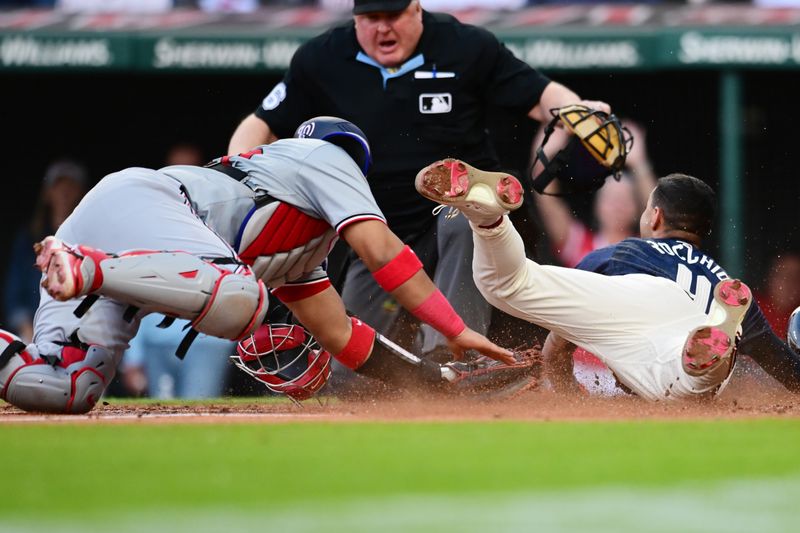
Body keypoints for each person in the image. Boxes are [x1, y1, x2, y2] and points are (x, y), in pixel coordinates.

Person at [0, 117, 519, 414]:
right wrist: (454, 330)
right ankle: (85, 270)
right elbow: (382, 252)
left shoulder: (298, 253)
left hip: (118, 230)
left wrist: (437, 379)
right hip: (144, 207)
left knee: (70, 386)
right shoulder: (324, 154)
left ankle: (87, 271)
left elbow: (343, 337)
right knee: (243, 298)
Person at [227, 0, 610, 364]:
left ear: (416, 9)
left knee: (464, 215)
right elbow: (260, 124)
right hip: (377, 228)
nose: (383, 27)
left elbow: (541, 95)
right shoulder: (321, 57)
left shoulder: (465, 45)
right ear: (355, 17)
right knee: (348, 379)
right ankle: (409, 382)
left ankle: (452, 359)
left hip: (459, 213)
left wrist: (576, 109)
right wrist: (238, 176)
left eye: (393, 14)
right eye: (371, 16)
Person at [415, 159, 800, 400]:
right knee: (683, 382)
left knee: (512, 285)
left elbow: (558, 346)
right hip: (703, 311)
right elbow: (787, 372)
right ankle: (712, 348)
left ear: (655, 218)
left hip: (633, 293)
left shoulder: (630, 249)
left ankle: (489, 220)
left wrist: (568, 397)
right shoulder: (724, 280)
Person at [119, 142, 236, 400]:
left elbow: (239, 280)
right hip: (155, 340)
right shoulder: (144, 223)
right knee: (159, 419)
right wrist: (132, 356)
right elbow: (128, 288)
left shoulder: (223, 217)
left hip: (207, 341)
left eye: (189, 170)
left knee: (200, 415)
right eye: (174, 172)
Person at [3, 160, 88, 343]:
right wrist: (27, 331)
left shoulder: (89, 237)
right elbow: (14, 290)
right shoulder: (29, 238)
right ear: (48, 193)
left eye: (71, 185)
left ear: (81, 193)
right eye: (59, 185)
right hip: (33, 331)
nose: (65, 192)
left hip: (79, 332)